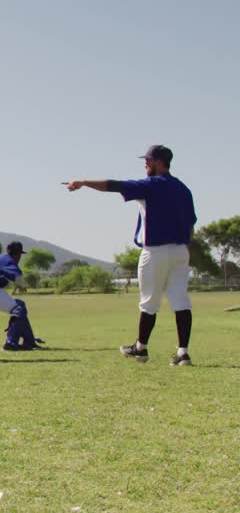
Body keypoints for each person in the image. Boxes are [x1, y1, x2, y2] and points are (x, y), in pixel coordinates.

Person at [65, 144, 196, 365]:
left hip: (155, 251)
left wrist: (83, 183)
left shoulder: (150, 185)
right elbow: (192, 225)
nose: (145, 163)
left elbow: (114, 186)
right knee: (180, 301)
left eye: (148, 160)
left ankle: (141, 349)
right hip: (181, 251)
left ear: (159, 162)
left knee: (149, 303)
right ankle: (183, 353)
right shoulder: (184, 189)